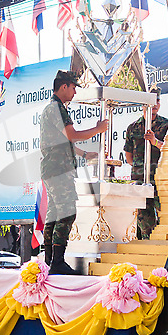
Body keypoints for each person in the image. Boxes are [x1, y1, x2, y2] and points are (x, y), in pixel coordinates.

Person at [40, 70, 108, 275]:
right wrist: (98, 129)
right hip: (59, 169)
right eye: (73, 87)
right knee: (67, 212)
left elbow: (64, 140)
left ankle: (51, 261)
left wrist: (83, 154)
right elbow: (71, 134)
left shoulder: (52, 108)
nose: (75, 91)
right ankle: (57, 261)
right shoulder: (57, 108)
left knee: (54, 213)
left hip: (53, 168)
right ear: (63, 86)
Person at [123, 87, 168, 239]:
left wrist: (155, 142)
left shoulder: (167, 125)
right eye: (151, 100)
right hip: (140, 179)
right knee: (144, 218)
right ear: (143, 104)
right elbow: (129, 157)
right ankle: (147, 245)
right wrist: (140, 169)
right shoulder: (132, 128)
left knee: (165, 214)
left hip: (160, 178)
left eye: (158, 100)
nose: (155, 103)